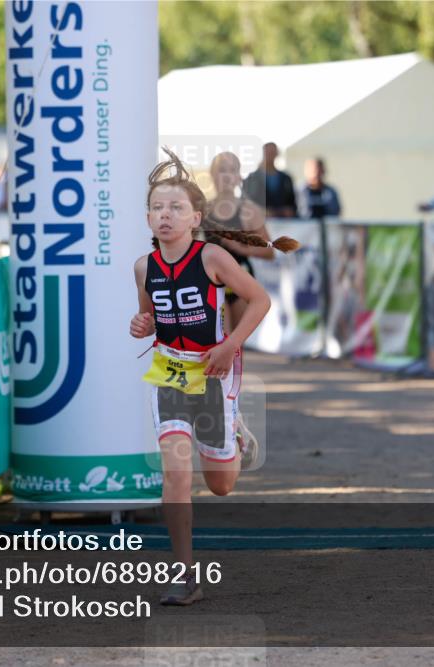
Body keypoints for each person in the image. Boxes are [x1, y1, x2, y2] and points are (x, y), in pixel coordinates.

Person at [129, 148, 298, 606]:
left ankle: (234, 437)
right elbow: (149, 318)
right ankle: (185, 577)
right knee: (176, 475)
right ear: (148, 219)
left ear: (195, 217)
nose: (166, 216)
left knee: (220, 483)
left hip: (214, 372)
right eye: (158, 209)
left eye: (176, 208)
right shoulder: (144, 268)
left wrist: (229, 346)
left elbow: (259, 301)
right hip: (168, 375)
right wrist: (141, 324)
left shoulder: (213, 259)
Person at [205, 151, 274, 331]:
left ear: (238, 177)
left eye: (232, 170)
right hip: (211, 281)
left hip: (239, 280)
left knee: (235, 345)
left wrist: (242, 249)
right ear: (212, 174)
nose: (227, 176)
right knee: (220, 339)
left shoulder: (249, 210)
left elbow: (270, 250)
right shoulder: (202, 210)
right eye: (222, 170)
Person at [242, 142, 297, 218]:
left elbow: (292, 203)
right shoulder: (252, 178)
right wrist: (262, 211)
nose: (270, 155)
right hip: (259, 222)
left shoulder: (286, 179)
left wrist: (288, 210)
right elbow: (246, 202)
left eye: (272, 152)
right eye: (268, 152)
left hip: (283, 223)